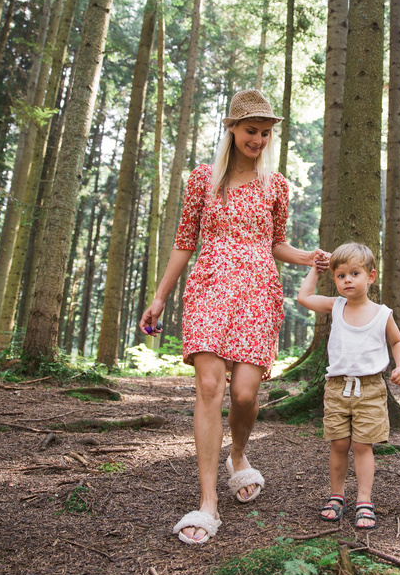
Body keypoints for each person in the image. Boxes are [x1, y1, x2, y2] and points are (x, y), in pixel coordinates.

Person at [140, 89, 329, 545]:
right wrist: (161, 296)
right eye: (251, 131)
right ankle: (208, 504)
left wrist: (308, 257)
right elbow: (185, 240)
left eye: (265, 133)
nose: (259, 140)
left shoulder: (276, 185)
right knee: (210, 386)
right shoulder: (203, 180)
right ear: (231, 129)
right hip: (209, 286)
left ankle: (238, 456)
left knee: (245, 394)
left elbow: (276, 242)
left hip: (258, 290)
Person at [296, 242, 400, 529]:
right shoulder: (336, 306)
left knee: (361, 445)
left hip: (370, 389)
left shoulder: (382, 314)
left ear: (370, 277)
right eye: (341, 275)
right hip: (336, 389)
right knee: (339, 443)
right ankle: (336, 496)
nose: (347, 280)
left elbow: (397, 341)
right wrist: (315, 271)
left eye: (354, 273)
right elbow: (304, 297)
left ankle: (364, 500)